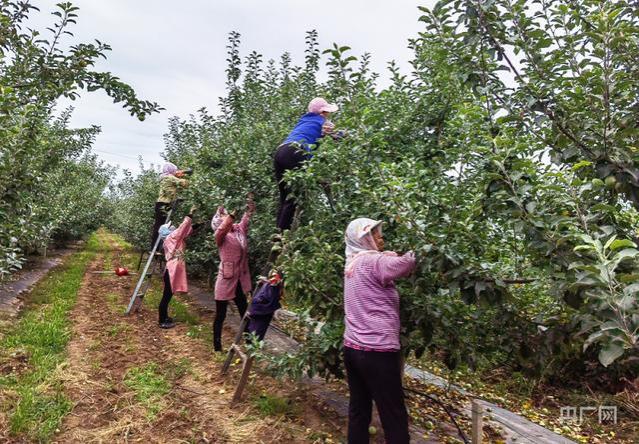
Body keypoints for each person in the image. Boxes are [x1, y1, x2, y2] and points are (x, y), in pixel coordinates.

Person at [342, 218, 416, 444]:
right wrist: (423, 247)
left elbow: (386, 264)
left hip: (352, 348)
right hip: (378, 352)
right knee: (394, 414)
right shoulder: (374, 262)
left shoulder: (353, 263)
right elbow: (408, 263)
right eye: (374, 234)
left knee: (359, 409)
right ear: (364, 239)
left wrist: (388, 256)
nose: (380, 238)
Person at [274, 97, 338, 231]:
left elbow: (314, 140)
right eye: (327, 112)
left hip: (280, 152)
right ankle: (281, 238)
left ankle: (277, 236)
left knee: (285, 197)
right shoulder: (322, 121)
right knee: (295, 197)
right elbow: (337, 135)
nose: (329, 114)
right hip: (295, 151)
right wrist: (350, 135)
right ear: (322, 113)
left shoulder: (304, 121)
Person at [211, 196, 256, 351]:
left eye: (226, 215)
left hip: (238, 279)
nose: (226, 216)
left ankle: (250, 344)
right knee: (220, 314)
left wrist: (249, 203)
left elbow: (246, 219)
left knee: (244, 311)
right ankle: (217, 347)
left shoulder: (238, 230)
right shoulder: (220, 236)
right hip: (226, 279)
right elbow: (223, 228)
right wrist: (230, 216)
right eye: (222, 215)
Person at [158, 206, 196, 329]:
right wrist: (190, 214)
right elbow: (182, 229)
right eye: (170, 227)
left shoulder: (174, 239)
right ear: (167, 232)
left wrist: (197, 225)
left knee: (168, 296)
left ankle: (165, 317)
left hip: (171, 270)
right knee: (166, 296)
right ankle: (162, 320)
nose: (173, 227)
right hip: (171, 271)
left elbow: (186, 231)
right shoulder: (171, 238)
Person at [150, 162, 189, 250]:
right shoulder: (169, 177)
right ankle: (157, 248)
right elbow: (184, 184)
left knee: (160, 226)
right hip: (164, 205)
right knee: (162, 227)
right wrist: (186, 176)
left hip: (161, 204)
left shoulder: (165, 177)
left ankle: (155, 248)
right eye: (174, 170)